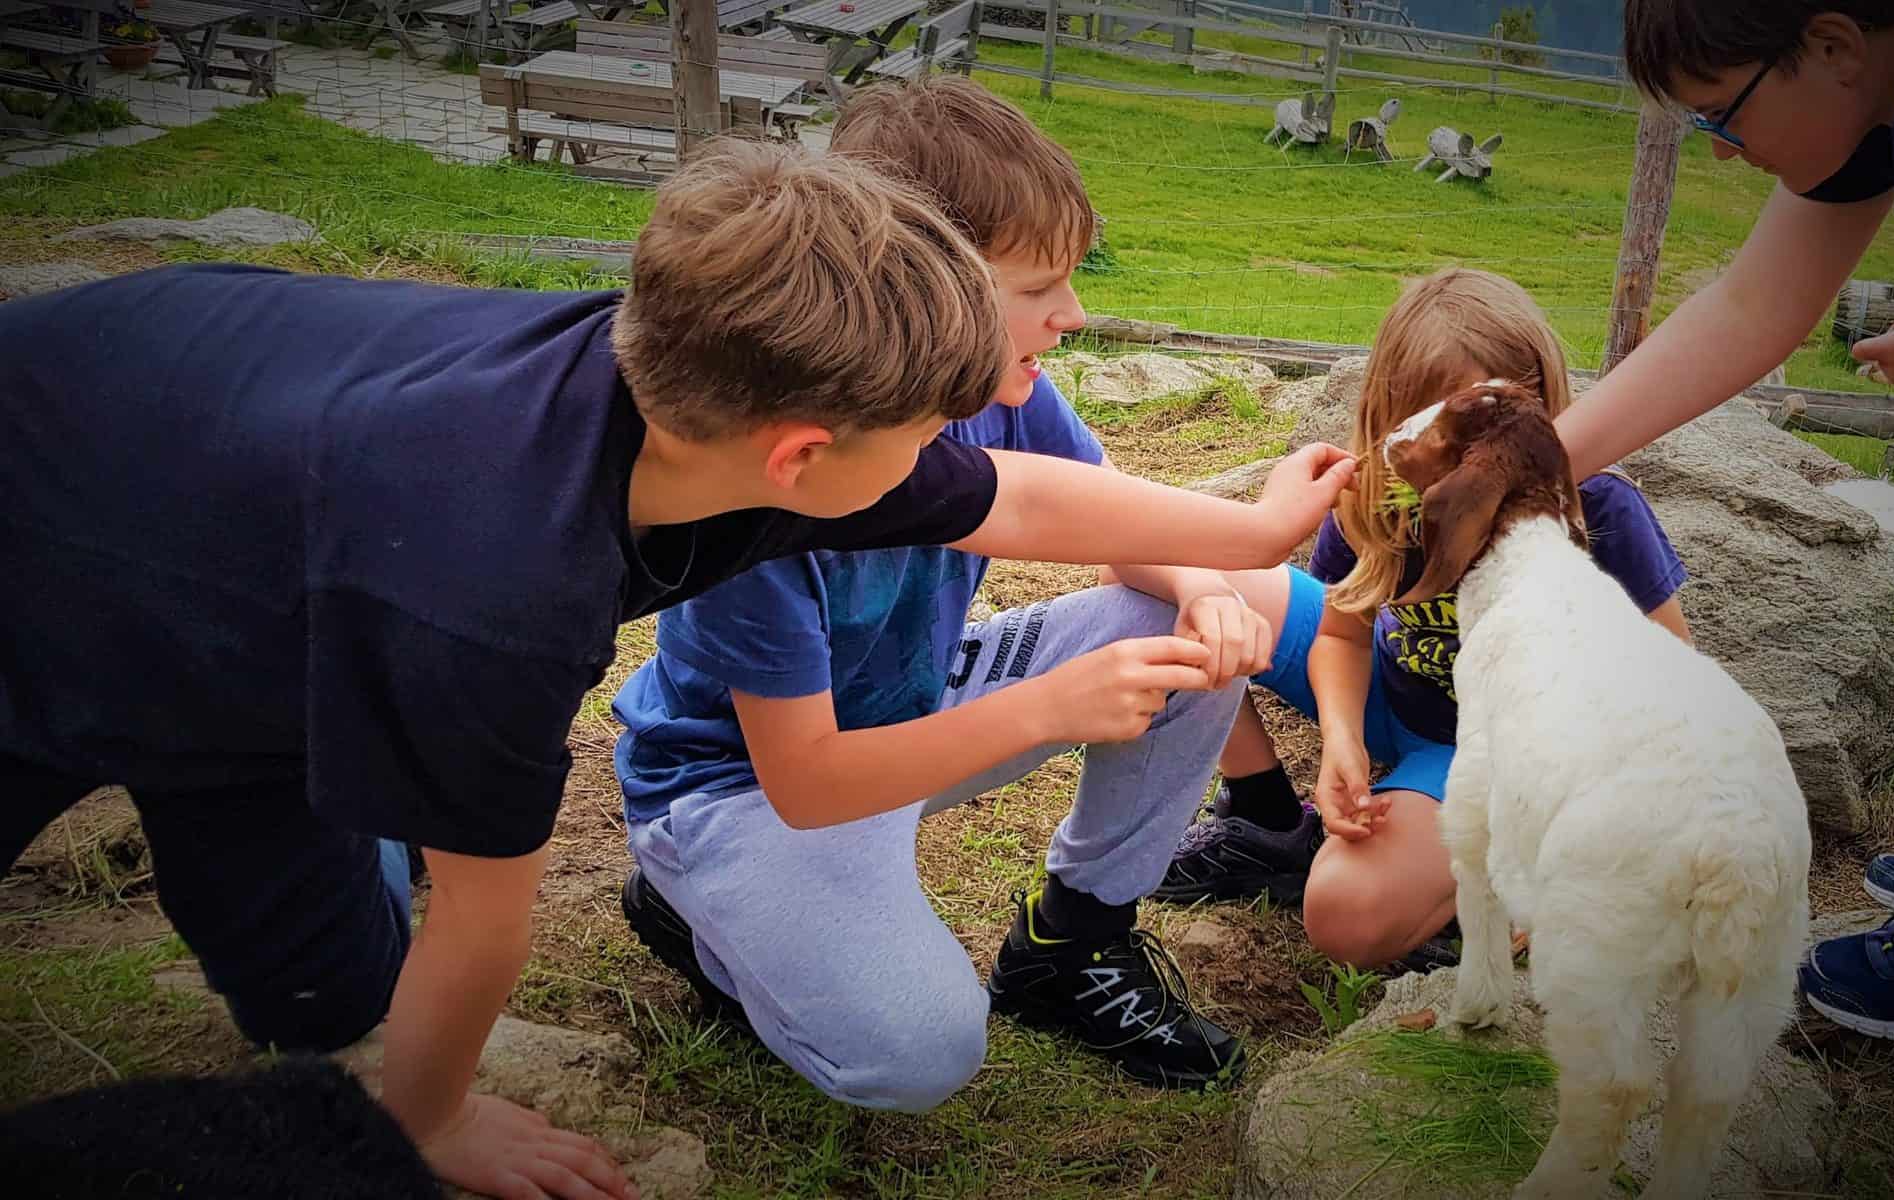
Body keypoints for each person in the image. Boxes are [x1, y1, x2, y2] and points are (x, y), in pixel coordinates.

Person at [0, 140, 1355, 1198]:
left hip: (219, 498)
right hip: (51, 538)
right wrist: (434, 1118)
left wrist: (1254, 529)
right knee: (357, 964)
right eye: (923, 436)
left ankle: (332, 869)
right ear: (800, 464)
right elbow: (489, 921)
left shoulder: (714, 390)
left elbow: (1019, 498)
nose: (949, 457)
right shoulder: (496, 602)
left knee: (327, 986)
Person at [613, 75, 1338, 1103]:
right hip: (753, 787)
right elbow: (808, 781)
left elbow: (1107, 525)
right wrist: (1048, 705)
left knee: (1177, 620)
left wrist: (1201, 584)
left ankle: (1073, 943)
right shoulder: (767, 476)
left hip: (918, 702)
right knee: (913, 1060)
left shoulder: (1007, 397)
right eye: (1039, 285)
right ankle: (703, 913)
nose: (1072, 315)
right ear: (922, 281)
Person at [1561, 0, 1894, 1043]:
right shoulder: (1877, 92)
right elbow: (1752, 306)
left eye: (1719, 115)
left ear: (1830, 46)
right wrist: (1544, 461)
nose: (1724, 150)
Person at [1158, 269, 1693, 973]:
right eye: (1429, 432)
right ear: (1389, 417)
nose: (1457, 460)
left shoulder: (1597, 513)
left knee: (1344, 915)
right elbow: (1341, 629)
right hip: (1390, 690)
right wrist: (1341, 740)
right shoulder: (1379, 491)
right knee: (1166, 575)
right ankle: (1263, 813)